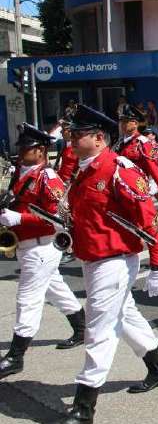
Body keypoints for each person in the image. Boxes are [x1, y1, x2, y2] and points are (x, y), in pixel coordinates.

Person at [41, 105, 158, 424]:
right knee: (125, 315)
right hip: (93, 259)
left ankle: (83, 410)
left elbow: (150, 221)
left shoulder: (119, 169)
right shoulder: (85, 169)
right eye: (71, 133)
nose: (70, 138)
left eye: (78, 134)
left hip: (114, 261)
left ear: (99, 138)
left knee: (98, 330)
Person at [0, 124, 85, 381]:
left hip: (42, 245)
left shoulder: (47, 177)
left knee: (28, 299)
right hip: (27, 246)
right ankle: (81, 328)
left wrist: (19, 219)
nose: (21, 152)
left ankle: (15, 356)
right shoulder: (19, 172)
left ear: (40, 151)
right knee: (55, 288)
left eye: (26, 149)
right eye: (21, 148)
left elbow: (60, 220)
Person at [114, 105, 158, 212]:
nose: (123, 124)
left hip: (138, 184)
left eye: (126, 121)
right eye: (122, 121)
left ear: (135, 123)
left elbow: (152, 165)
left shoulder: (142, 142)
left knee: (142, 215)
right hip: (122, 184)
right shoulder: (121, 142)